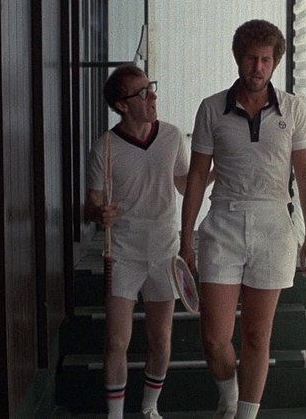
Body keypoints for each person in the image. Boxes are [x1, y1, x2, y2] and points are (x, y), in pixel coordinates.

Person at [179, 19, 306, 419]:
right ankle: (229, 396)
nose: (258, 67)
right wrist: (186, 239)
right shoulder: (212, 108)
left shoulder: (293, 109)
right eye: (251, 59)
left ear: (275, 62)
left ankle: (245, 415)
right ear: (238, 59)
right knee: (214, 338)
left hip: (274, 224)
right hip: (223, 221)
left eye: (266, 60)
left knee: (257, 335)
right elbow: (196, 177)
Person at [84, 64, 188, 419]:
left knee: (161, 337)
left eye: (151, 87)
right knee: (116, 341)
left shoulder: (172, 136)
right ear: (122, 105)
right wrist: (99, 214)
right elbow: (91, 204)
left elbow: (185, 184)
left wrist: (221, 168)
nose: (152, 95)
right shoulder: (105, 147)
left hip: (165, 252)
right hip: (123, 255)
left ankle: (149, 409)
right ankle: (114, 416)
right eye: (143, 92)